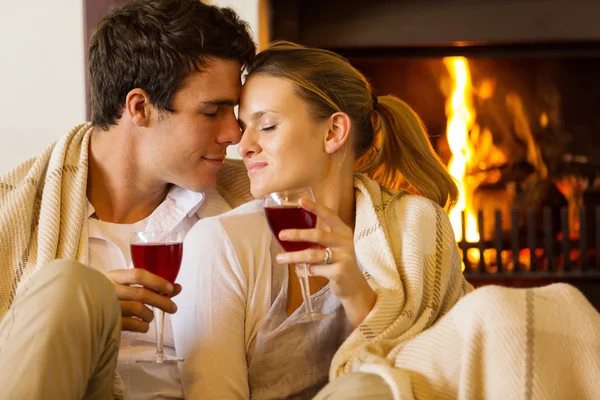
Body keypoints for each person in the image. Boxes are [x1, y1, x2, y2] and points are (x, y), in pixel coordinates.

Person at [172, 41, 471, 399]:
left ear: (333, 133)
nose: (244, 145)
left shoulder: (415, 226)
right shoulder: (219, 242)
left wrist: (356, 292)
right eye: (243, 127)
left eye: (266, 126)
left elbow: (448, 375)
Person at [0, 0, 255, 398]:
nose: (234, 134)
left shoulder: (252, 201)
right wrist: (69, 315)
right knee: (67, 289)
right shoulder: (11, 213)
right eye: (212, 112)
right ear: (139, 107)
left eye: (234, 111)